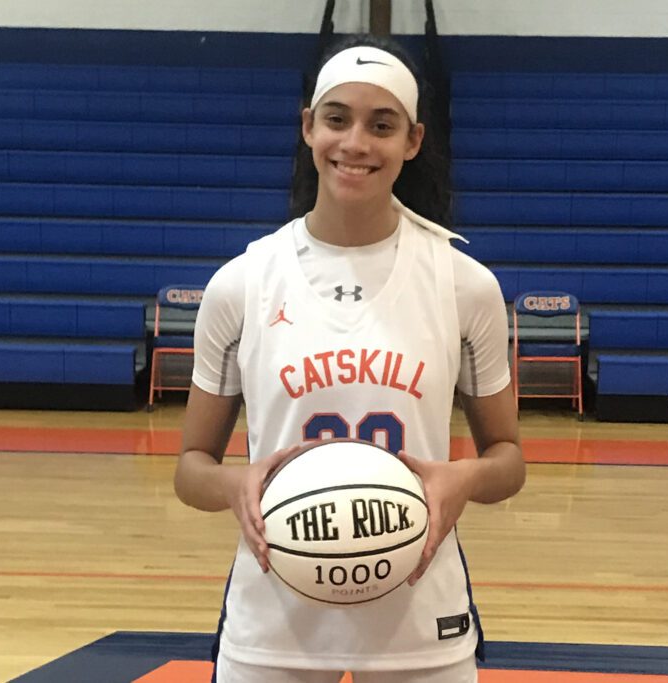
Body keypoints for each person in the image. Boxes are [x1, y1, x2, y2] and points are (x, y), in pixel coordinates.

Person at [174, 34, 525, 683]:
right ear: (309, 126)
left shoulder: (464, 283)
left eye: (381, 124)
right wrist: (235, 484)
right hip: (273, 616)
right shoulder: (242, 283)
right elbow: (192, 468)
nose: (356, 143)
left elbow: (508, 457)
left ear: (413, 141)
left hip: (421, 617)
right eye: (337, 118)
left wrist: (462, 479)